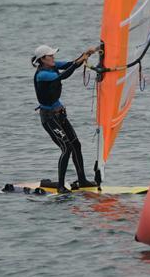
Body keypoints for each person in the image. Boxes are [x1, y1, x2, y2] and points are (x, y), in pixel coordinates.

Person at [31, 44, 100, 193]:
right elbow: (65, 75)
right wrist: (82, 58)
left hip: (60, 115)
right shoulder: (42, 74)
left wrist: (86, 54)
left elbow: (70, 65)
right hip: (49, 118)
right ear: (42, 59)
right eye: (50, 55)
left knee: (76, 145)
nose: (53, 57)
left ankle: (82, 180)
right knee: (66, 147)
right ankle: (61, 186)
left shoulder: (53, 65)